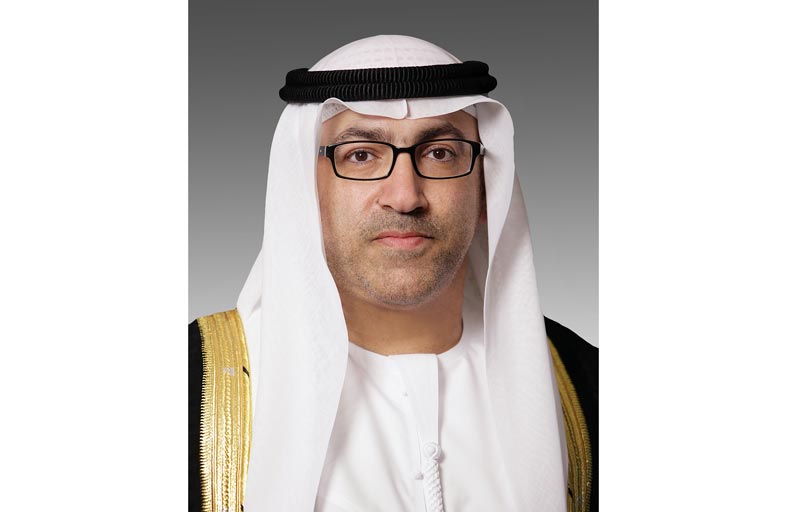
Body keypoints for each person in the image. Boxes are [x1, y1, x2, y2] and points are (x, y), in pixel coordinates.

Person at [189, 35, 597, 512]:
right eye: (361, 155)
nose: (404, 197)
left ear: (487, 187)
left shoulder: (588, 385)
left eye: (440, 153)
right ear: (302, 189)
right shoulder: (184, 390)